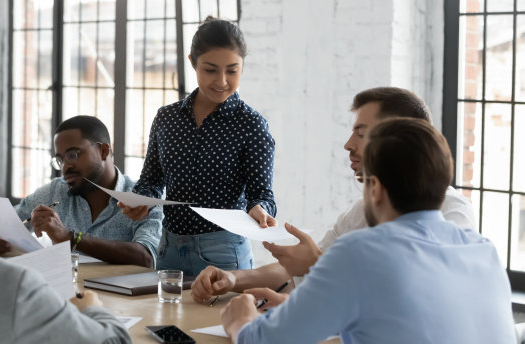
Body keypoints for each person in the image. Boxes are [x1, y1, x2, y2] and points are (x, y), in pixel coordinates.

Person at [220, 118, 515, 343]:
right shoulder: (484, 251)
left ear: (375, 188)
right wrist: (302, 308)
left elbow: (263, 340)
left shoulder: (360, 252)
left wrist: (240, 320)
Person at [191, 87, 476, 302]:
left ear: (401, 141)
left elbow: (416, 292)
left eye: (362, 134)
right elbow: (296, 270)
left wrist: (316, 266)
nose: (348, 145)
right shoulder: (361, 213)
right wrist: (232, 278)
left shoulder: (451, 213)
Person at [0, 120, 132, 343]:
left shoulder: (136, 194)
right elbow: (114, 341)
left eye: (73, 155)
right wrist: (91, 309)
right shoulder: (16, 286)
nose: (66, 166)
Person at [120, 17, 277, 276]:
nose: (222, 81)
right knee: (165, 317)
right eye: (211, 69)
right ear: (193, 62)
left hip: (224, 251)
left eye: (232, 70)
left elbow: (262, 194)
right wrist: (139, 202)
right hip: (168, 248)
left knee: (224, 319)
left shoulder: (251, 124)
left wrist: (259, 209)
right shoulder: (166, 117)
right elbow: (151, 180)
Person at [0, 116, 162, 268]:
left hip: (124, 307)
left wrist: (70, 238)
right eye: (60, 160)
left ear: (103, 151)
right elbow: (5, 224)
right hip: (68, 301)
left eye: (73, 155)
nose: (66, 167)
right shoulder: (55, 192)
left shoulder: (142, 199)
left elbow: (146, 257)